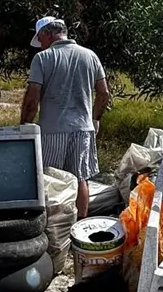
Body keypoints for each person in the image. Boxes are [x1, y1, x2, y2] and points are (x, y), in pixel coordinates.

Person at [20, 16, 111, 219]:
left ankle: (53, 226)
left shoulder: (43, 59)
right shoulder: (90, 56)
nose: (40, 45)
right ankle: (79, 227)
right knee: (81, 179)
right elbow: (104, 93)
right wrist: (95, 119)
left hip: (52, 130)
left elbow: (32, 98)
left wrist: (25, 124)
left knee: (49, 179)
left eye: (40, 39)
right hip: (83, 129)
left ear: (48, 34)